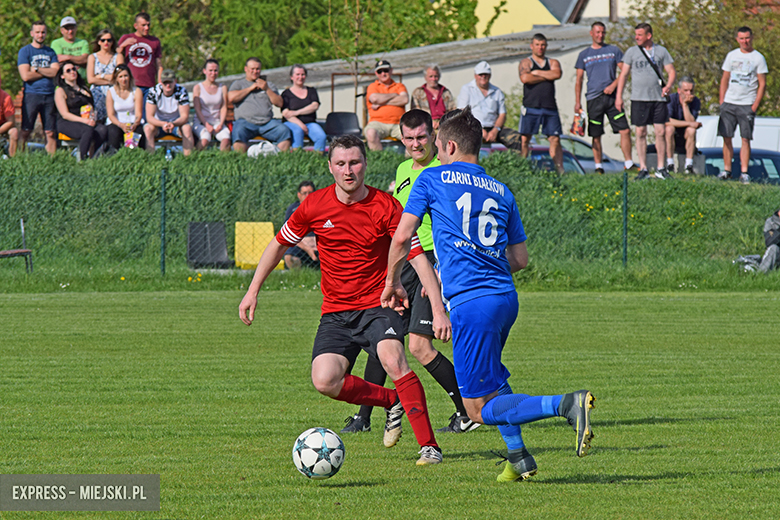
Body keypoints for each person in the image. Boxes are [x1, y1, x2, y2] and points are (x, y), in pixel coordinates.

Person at [382, 107, 596, 482]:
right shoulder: (501, 190)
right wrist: (482, 260)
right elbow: (520, 259)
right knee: (494, 383)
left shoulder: (431, 178)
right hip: (505, 299)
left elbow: (401, 237)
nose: (435, 152)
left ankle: (566, 404)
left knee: (477, 409)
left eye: (437, 145)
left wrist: (392, 282)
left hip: (471, 304)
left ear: (449, 146)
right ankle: (518, 457)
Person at [239, 134, 449, 466]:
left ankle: (429, 447)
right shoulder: (314, 205)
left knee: (394, 359)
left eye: (354, 163)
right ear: (330, 167)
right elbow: (279, 243)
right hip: (336, 312)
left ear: (365, 164)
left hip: (378, 306)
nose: (348, 171)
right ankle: (392, 400)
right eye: (340, 164)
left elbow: (417, 256)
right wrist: (252, 291)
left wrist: (438, 308)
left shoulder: (386, 206)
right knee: (324, 379)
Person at [342, 109, 479, 435]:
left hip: (429, 263)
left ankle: (466, 411)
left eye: (421, 137)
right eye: (409, 138)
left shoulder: (445, 172)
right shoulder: (404, 169)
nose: (416, 144)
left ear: (434, 136)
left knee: (419, 346)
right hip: (404, 263)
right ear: (401, 139)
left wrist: (440, 271)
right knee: (383, 335)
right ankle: (363, 418)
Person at [616, 23, 676, 180]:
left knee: (660, 132)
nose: (636, 37)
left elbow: (671, 71)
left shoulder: (661, 51)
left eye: (640, 35)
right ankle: (643, 168)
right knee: (640, 132)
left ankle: (661, 168)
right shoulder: (632, 52)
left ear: (649, 36)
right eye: (636, 34)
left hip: (658, 98)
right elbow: (623, 75)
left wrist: (668, 86)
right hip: (639, 98)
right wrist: (619, 96)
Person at [574, 21, 635, 174]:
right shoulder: (584, 55)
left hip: (612, 97)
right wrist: (577, 102)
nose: (600, 35)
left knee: (624, 130)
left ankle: (628, 163)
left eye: (603, 32)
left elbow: (625, 71)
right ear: (591, 33)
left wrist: (614, 86)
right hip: (593, 99)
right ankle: (598, 167)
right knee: (596, 134)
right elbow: (579, 79)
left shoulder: (613, 50)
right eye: (598, 32)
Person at [717, 26, 768, 185]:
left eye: (747, 38)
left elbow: (762, 83)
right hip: (730, 102)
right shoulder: (732, 55)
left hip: (746, 103)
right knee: (726, 136)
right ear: (737, 39)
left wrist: (754, 105)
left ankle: (744, 172)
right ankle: (727, 170)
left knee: (745, 138)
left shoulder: (758, 58)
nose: (744, 41)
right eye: (741, 38)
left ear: (751, 38)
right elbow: (725, 78)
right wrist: (722, 101)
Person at [519, 33, 564, 172]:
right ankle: (521, 169)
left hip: (549, 107)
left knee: (555, 139)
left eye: (543, 45)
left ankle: (560, 170)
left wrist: (537, 73)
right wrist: (547, 76)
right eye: (537, 45)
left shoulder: (553, 62)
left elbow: (557, 74)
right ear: (531, 46)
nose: (540, 47)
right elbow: (525, 78)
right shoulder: (526, 62)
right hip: (530, 106)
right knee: (525, 139)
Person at [228, 57, 292, 153]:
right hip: (245, 123)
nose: (255, 71)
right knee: (238, 132)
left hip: (267, 123)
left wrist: (267, 89)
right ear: (246, 69)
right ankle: (241, 158)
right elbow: (231, 98)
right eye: (252, 69)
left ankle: (278, 158)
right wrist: (250, 88)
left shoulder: (268, 85)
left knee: (284, 131)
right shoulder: (238, 84)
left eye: (257, 69)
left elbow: (279, 103)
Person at [456, 61, 522, 152]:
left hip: (493, 127)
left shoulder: (497, 91)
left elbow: (502, 114)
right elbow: (462, 112)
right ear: (475, 76)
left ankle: (516, 161)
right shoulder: (467, 89)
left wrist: (495, 130)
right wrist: (478, 128)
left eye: (486, 74)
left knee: (516, 138)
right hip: (472, 127)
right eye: (480, 75)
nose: (483, 77)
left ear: (490, 75)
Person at [17, 20, 59, 155]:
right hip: (32, 95)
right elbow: (25, 76)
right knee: (26, 130)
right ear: (32, 33)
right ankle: (19, 158)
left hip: (49, 95)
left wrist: (36, 69)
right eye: (38, 32)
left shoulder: (50, 52)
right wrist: (46, 71)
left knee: (50, 132)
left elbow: (55, 72)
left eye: (43, 32)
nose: (40, 35)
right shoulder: (25, 51)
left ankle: (52, 161)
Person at [54, 60, 109, 160]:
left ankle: (94, 158)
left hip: (85, 120)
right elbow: (65, 114)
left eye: (74, 69)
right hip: (67, 122)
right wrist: (85, 121)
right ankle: (82, 159)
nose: (72, 72)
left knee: (102, 129)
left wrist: (92, 116)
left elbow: (90, 106)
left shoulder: (84, 89)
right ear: (62, 76)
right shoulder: (60, 90)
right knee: (87, 130)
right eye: (68, 70)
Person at [143, 69, 194, 156]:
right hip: (158, 125)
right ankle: (150, 158)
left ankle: (188, 158)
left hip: (176, 124)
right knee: (148, 128)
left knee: (187, 128)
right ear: (160, 82)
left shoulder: (181, 91)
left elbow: (184, 117)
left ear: (175, 81)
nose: (168, 85)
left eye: (170, 82)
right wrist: (163, 124)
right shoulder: (153, 92)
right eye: (165, 82)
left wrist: (173, 123)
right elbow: (149, 117)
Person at [281, 64, 327, 153]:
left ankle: (317, 158)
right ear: (292, 77)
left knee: (321, 136)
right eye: (297, 74)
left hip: (310, 123)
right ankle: (297, 156)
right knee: (298, 131)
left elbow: (315, 106)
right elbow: (286, 114)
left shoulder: (311, 91)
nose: (300, 77)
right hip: (292, 123)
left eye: (303, 74)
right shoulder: (286, 94)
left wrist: (296, 112)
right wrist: (301, 125)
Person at [365, 60, 408, 151]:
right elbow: (374, 99)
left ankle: (410, 158)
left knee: (412, 135)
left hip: (398, 123)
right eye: (380, 71)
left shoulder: (399, 86)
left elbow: (404, 99)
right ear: (376, 73)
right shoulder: (372, 86)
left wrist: (381, 102)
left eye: (386, 70)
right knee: (370, 133)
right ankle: (379, 158)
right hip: (377, 123)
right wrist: (394, 95)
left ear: (391, 70)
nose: (383, 73)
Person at [117, 12, 162, 99]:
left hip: (149, 85)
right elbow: (115, 54)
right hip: (131, 85)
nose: (147, 28)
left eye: (148, 25)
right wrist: (123, 45)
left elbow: (159, 64)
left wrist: (159, 84)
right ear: (136, 26)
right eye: (143, 25)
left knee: (148, 108)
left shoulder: (155, 41)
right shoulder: (126, 38)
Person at [665, 76, 701, 174]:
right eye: (686, 90)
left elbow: (692, 122)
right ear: (679, 90)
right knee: (669, 129)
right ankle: (670, 164)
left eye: (691, 91)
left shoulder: (695, 101)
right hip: (672, 136)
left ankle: (689, 165)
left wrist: (685, 105)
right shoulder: (671, 99)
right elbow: (667, 121)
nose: (689, 93)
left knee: (691, 131)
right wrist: (689, 123)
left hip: (685, 136)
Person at [193, 59, 230, 151]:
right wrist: (206, 124)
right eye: (210, 70)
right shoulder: (198, 87)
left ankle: (223, 158)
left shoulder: (222, 87)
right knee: (205, 138)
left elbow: (224, 107)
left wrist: (221, 124)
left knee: (226, 138)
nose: (213, 73)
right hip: (201, 122)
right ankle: (195, 157)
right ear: (204, 71)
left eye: (215, 70)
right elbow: (197, 109)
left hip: (217, 122)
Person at [105, 64, 145, 151]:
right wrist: (121, 125)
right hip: (116, 122)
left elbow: (138, 113)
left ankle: (133, 153)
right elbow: (110, 114)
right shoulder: (111, 92)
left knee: (138, 132)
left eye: (126, 76)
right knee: (114, 132)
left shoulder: (136, 91)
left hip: (132, 122)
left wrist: (135, 124)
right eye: (121, 76)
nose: (124, 79)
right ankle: (114, 155)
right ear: (116, 78)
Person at [86, 29, 123, 124]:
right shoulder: (92, 57)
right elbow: (91, 79)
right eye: (103, 40)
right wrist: (110, 80)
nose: (106, 42)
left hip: (115, 92)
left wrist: (101, 76)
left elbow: (120, 75)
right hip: (97, 94)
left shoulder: (118, 57)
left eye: (109, 40)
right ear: (99, 42)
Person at [283, 181, 319, 269]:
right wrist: (307, 248)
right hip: (300, 246)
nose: (307, 196)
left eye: (310, 193)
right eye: (304, 193)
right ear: (299, 195)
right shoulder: (293, 210)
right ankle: (298, 275)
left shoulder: (323, 208)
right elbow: (288, 233)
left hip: (320, 246)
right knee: (289, 257)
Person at [410, 64, 456, 130]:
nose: (433, 79)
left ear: (439, 77)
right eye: (431, 76)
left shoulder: (446, 92)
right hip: (425, 127)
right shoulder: (418, 93)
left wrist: (442, 122)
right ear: (425, 77)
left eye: (436, 76)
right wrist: (429, 122)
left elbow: (452, 111)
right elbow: (415, 113)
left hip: (445, 126)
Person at [51, 16, 89, 81]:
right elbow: (58, 60)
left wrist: (68, 57)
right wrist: (78, 60)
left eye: (72, 28)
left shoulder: (83, 43)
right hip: (63, 80)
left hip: (81, 79)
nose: (70, 31)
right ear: (62, 30)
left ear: (76, 28)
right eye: (67, 29)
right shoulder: (56, 43)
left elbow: (85, 59)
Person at [759, 208, 780, 273]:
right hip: (777, 253)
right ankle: (761, 274)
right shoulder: (770, 222)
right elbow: (769, 242)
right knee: (773, 248)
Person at [0, 87, 19, 157]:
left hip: (2, 126)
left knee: (14, 132)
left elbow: (11, 122)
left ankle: (12, 159)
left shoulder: (6, 97)